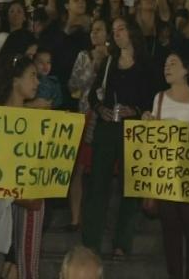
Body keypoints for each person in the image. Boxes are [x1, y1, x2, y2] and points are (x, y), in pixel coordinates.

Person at [141, 52, 189, 279]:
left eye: (173, 64)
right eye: (165, 64)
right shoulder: (159, 99)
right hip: (166, 175)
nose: (167, 67)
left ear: (186, 70)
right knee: (170, 231)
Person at [82, 17, 153, 258]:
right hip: (106, 127)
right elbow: (94, 95)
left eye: (121, 28)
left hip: (132, 130)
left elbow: (152, 99)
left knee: (129, 187)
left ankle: (122, 243)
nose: (117, 33)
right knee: (98, 186)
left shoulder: (146, 64)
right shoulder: (109, 62)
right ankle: (91, 242)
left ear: (132, 32)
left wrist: (134, 109)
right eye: (114, 31)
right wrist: (100, 108)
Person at [0, 56, 43, 279]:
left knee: (27, 266)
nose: (37, 82)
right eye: (33, 75)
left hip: (29, 195)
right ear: (16, 80)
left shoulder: (38, 119)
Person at [66, 18, 110, 231]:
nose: (95, 34)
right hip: (84, 115)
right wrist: (93, 66)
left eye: (99, 30)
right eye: (92, 30)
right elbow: (73, 84)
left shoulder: (115, 58)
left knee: (101, 170)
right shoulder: (83, 56)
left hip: (105, 118)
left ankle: (96, 217)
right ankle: (75, 218)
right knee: (79, 168)